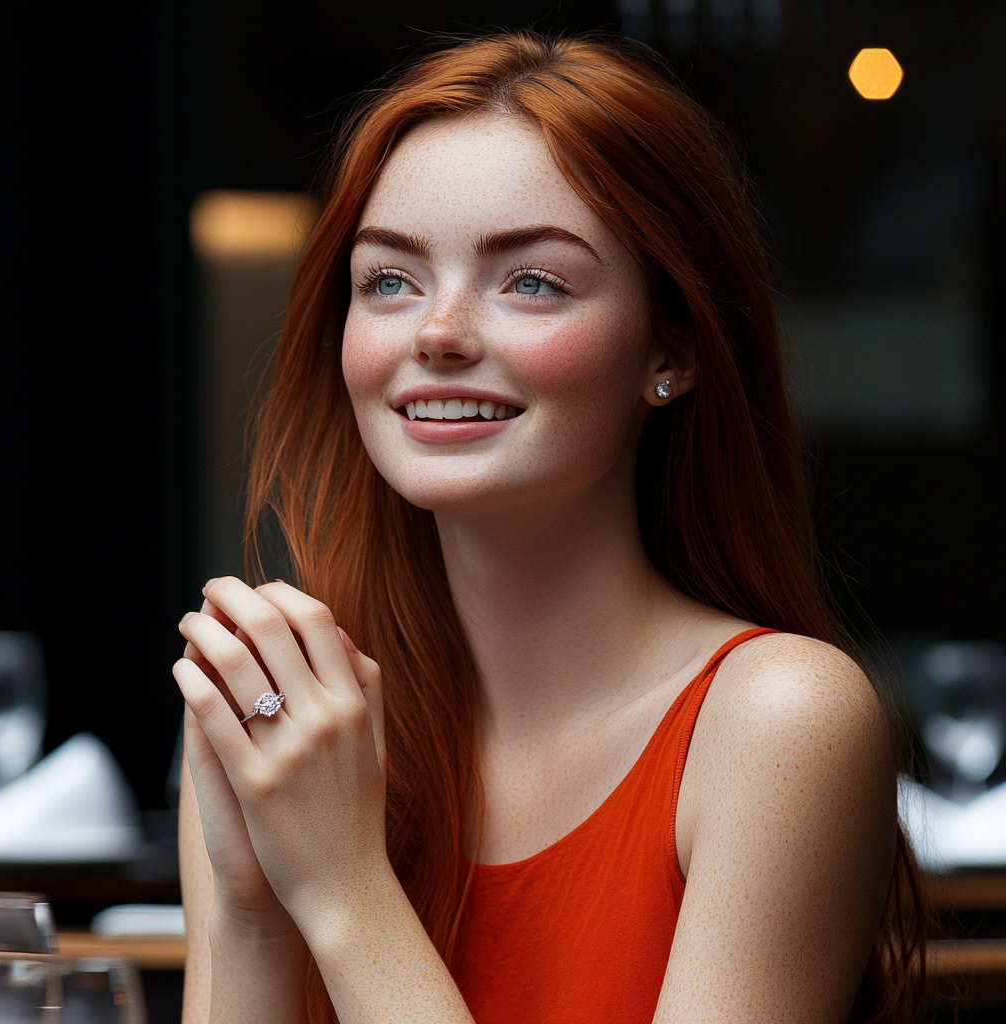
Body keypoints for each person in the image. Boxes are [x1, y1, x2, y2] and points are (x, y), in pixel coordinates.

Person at [174, 31, 926, 1024]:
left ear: (672, 345)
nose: (435, 332)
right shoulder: (293, 719)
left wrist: (342, 886)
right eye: (388, 280)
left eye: (531, 280)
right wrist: (251, 910)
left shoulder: (779, 721)